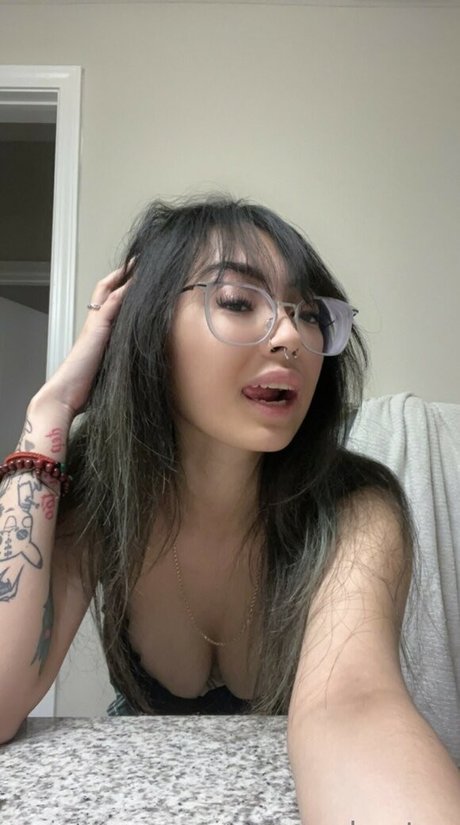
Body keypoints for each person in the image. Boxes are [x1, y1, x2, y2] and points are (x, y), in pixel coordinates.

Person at [1, 195, 459, 821]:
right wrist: (49, 409)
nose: (292, 338)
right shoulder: (103, 497)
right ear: (148, 327)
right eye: (239, 302)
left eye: (309, 314)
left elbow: (353, 706)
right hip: (144, 791)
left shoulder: (355, 508)